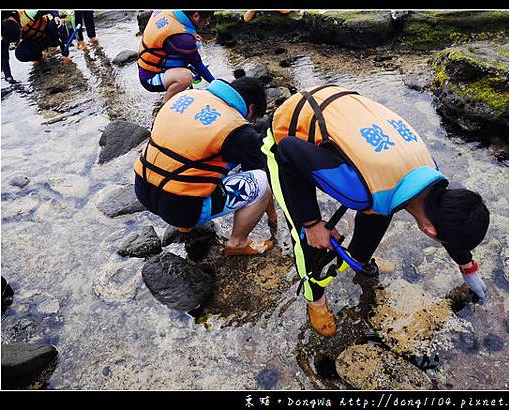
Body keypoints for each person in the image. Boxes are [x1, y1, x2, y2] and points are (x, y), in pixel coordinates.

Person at [261, 84, 490, 337]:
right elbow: (289, 151)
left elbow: (446, 220)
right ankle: (314, 298)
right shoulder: (359, 189)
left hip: (338, 103)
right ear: (429, 230)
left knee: (382, 207)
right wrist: (311, 223)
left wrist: (468, 267)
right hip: (287, 137)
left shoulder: (429, 173)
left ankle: (358, 261)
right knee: (311, 241)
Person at [134, 76, 277, 256]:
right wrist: (272, 216)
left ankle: (185, 227)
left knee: (192, 160)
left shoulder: (184, 96)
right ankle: (238, 243)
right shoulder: (240, 131)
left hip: (142, 189)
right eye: (253, 118)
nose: (251, 122)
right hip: (180, 209)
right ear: (251, 109)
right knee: (262, 182)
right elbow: (260, 178)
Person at [138, 10, 215, 106]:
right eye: (206, 21)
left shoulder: (172, 14)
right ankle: (163, 106)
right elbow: (199, 65)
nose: (206, 24)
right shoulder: (183, 40)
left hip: (146, 64)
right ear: (196, 16)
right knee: (186, 77)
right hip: (150, 78)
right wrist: (215, 84)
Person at [1, 10, 71, 71]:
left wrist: (56, 16)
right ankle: (41, 57)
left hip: (50, 33)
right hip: (38, 41)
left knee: (57, 25)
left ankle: (65, 54)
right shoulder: (6, 32)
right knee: (20, 54)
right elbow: (3, 57)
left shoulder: (28, 14)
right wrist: (8, 76)